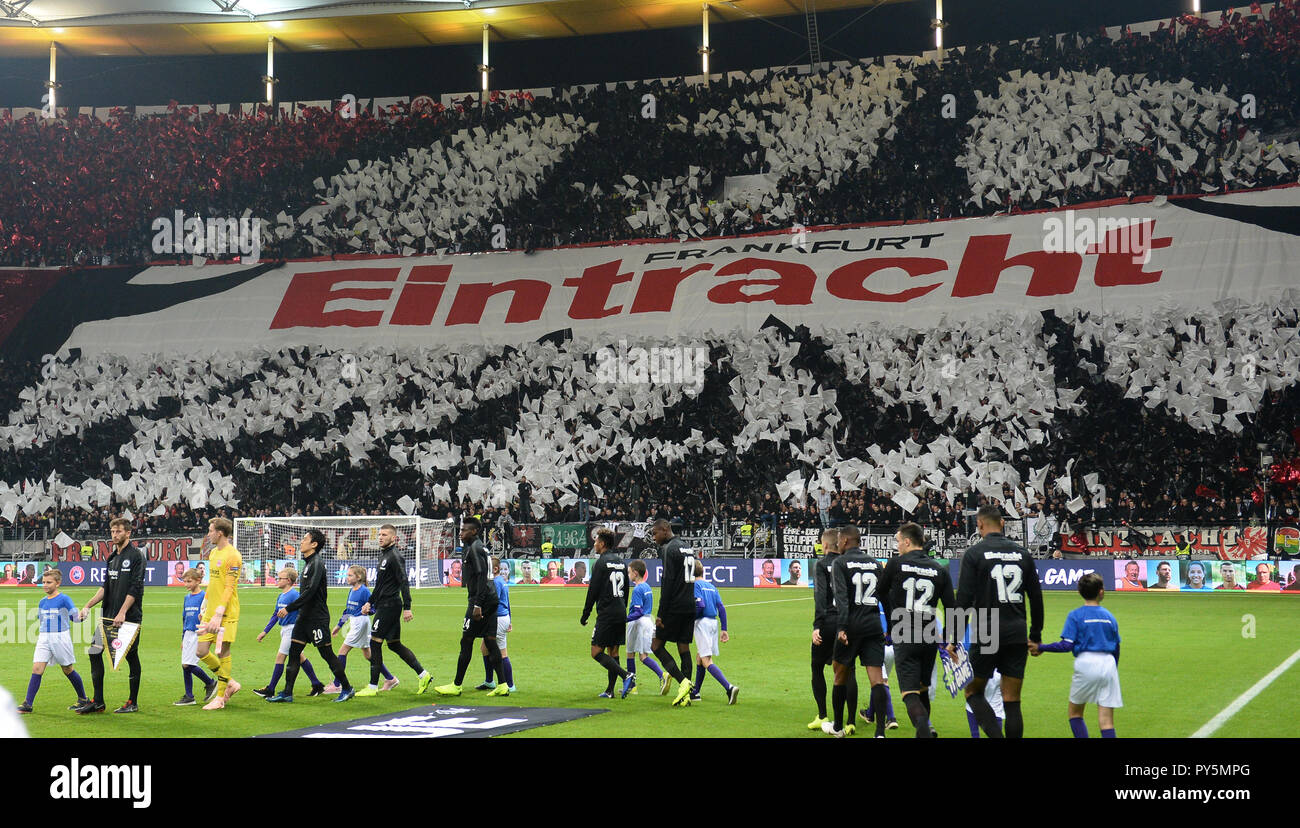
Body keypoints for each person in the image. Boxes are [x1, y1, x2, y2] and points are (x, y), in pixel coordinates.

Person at [954, 505, 1044, 739]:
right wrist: (1035, 635)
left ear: (980, 525)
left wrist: (953, 639)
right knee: (1012, 701)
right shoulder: (1022, 554)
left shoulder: (974, 554)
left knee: (973, 692)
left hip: (987, 630)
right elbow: (1035, 597)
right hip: (1016, 630)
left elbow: (963, 600)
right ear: (1002, 523)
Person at [879, 522, 955, 738]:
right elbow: (952, 608)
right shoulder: (939, 569)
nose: (897, 546)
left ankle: (924, 731)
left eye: (898, 541)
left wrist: (893, 616)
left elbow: (880, 591)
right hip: (930, 634)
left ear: (907, 541)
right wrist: (952, 640)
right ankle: (925, 730)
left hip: (905, 631)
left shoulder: (896, 564)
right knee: (922, 689)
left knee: (909, 694)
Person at [266, 529, 354, 703]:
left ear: (314, 544)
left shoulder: (317, 564)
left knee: (327, 654)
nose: (301, 542)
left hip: (317, 619)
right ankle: (287, 692)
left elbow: (311, 592)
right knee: (294, 652)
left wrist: (290, 608)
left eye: (305, 539)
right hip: (304, 618)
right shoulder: (308, 564)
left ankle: (347, 688)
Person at [1030, 572, 1122, 738]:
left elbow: (1066, 645)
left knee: (1075, 713)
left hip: (1086, 662)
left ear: (1079, 592)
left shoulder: (1076, 615)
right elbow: (1116, 647)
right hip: (1108, 664)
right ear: (1101, 592)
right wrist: (1113, 668)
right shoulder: (1110, 617)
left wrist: (1042, 647)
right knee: (1107, 720)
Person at [75, 517, 145, 714]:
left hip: (129, 617)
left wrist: (123, 612)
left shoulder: (136, 556)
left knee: (131, 656)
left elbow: (136, 587)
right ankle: (98, 701)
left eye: (119, 532)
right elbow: (105, 588)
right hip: (108, 616)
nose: (114, 535)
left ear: (128, 533)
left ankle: (133, 701)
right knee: (94, 652)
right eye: (113, 532)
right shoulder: (112, 557)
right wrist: (87, 606)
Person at [356, 523, 432, 697]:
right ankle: (423, 674)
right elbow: (381, 584)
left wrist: (408, 607)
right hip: (384, 604)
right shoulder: (384, 556)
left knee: (375, 643)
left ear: (393, 538)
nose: (380, 537)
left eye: (384, 534)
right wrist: (370, 602)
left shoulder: (395, 556)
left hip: (390, 606)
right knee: (394, 645)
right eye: (379, 534)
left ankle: (372, 686)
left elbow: (404, 581)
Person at [826, 524, 887, 737]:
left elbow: (842, 599)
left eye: (840, 540)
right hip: (872, 625)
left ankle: (837, 727)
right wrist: (888, 625)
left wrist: (842, 627)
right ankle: (880, 732)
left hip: (851, 627)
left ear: (844, 541)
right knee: (877, 679)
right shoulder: (875, 563)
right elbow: (885, 597)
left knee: (840, 674)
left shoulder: (840, 563)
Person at [436, 517, 504, 695]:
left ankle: (456, 685)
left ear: (474, 531)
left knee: (466, 640)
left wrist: (477, 604)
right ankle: (502, 685)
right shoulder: (480, 547)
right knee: (490, 641)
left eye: (464, 530)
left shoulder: (474, 548)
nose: (461, 532)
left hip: (480, 600)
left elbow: (481, 575)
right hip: (491, 597)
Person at [17, 569, 87, 713]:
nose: (45, 585)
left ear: (58, 583)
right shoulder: (42, 602)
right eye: (43, 582)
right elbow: (42, 620)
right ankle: (27, 704)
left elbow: (75, 617)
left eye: (49, 582)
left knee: (67, 669)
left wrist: (83, 615)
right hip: (44, 637)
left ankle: (83, 699)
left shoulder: (64, 599)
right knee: (37, 668)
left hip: (60, 637)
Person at [251, 567, 326, 699]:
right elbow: (275, 615)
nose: (277, 580)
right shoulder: (281, 596)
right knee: (300, 657)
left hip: (293, 629)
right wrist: (265, 631)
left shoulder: (294, 595)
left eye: (280, 578)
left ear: (289, 580)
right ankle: (317, 684)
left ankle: (271, 689)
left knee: (280, 657)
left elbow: (306, 608)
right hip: (284, 629)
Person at [194, 517, 242, 710]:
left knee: (222, 652)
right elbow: (214, 584)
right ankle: (229, 682)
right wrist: (205, 605)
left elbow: (229, 588)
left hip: (226, 613)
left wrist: (219, 613)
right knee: (201, 651)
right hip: (210, 611)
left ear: (219, 533)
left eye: (210, 530)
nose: (208, 534)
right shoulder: (213, 553)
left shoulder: (233, 556)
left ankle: (221, 697)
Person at [323, 565, 395, 693]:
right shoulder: (352, 590)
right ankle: (390, 678)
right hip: (356, 622)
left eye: (350, 575)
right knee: (368, 654)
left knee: (342, 651)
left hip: (361, 622)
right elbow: (348, 610)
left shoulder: (364, 591)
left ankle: (337, 684)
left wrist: (369, 611)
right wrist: (339, 626)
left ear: (359, 577)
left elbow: (375, 606)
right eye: (347, 575)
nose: (347, 577)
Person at [581, 529, 634, 699]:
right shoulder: (621, 562)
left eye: (596, 541)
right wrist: (622, 608)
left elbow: (593, 591)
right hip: (619, 611)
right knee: (614, 651)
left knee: (596, 651)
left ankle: (626, 675)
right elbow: (626, 590)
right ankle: (610, 691)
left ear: (602, 543)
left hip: (606, 613)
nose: (594, 544)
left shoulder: (600, 563)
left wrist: (586, 613)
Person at [649, 518, 697, 706]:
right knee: (683, 647)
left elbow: (667, 582)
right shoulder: (687, 547)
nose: (654, 538)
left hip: (674, 607)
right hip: (689, 604)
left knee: (656, 646)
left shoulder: (668, 549)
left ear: (665, 529)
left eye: (655, 533)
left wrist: (660, 613)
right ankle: (688, 695)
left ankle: (683, 682)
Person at [689, 559, 739, 704]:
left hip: (702, 623)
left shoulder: (695, 585)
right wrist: (724, 629)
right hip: (713, 623)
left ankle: (729, 688)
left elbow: (700, 605)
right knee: (700, 657)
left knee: (706, 660)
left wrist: (690, 619)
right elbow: (721, 608)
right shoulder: (711, 586)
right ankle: (696, 692)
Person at [809, 527, 840, 730]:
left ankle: (822, 715)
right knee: (847, 671)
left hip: (827, 621)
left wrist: (817, 625)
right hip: (847, 623)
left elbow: (820, 597)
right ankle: (850, 720)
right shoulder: (847, 563)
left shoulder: (821, 564)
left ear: (825, 545)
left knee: (817, 668)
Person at [174, 568, 219, 706]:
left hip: (199, 632)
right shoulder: (186, 598)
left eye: (189, 581)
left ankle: (210, 683)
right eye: (184, 581)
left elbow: (209, 614)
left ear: (198, 580)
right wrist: (183, 637)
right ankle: (189, 696)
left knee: (188, 664)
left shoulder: (204, 597)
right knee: (185, 666)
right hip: (188, 633)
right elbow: (184, 618)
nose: (186, 584)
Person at [624, 559, 665, 695]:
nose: (628, 574)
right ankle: (661, 676)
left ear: (635, 573)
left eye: (629, 572)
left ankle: (633, 686)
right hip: (648, 621)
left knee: (631, 653)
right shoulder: (647, 587)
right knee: (643, 655)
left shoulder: (637, 589)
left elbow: (638, 611)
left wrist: (624, 619)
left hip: (638, 623)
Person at [475, 556, 514, 695]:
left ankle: (510, 684)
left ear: (495, 569)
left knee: (501, 653)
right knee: (484, 648)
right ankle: (489, 681)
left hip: (497, 618)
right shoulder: (501, 581)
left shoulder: (496, 582)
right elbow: (507, 601)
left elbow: (493, 601)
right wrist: (510, 619)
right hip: (503, 617)